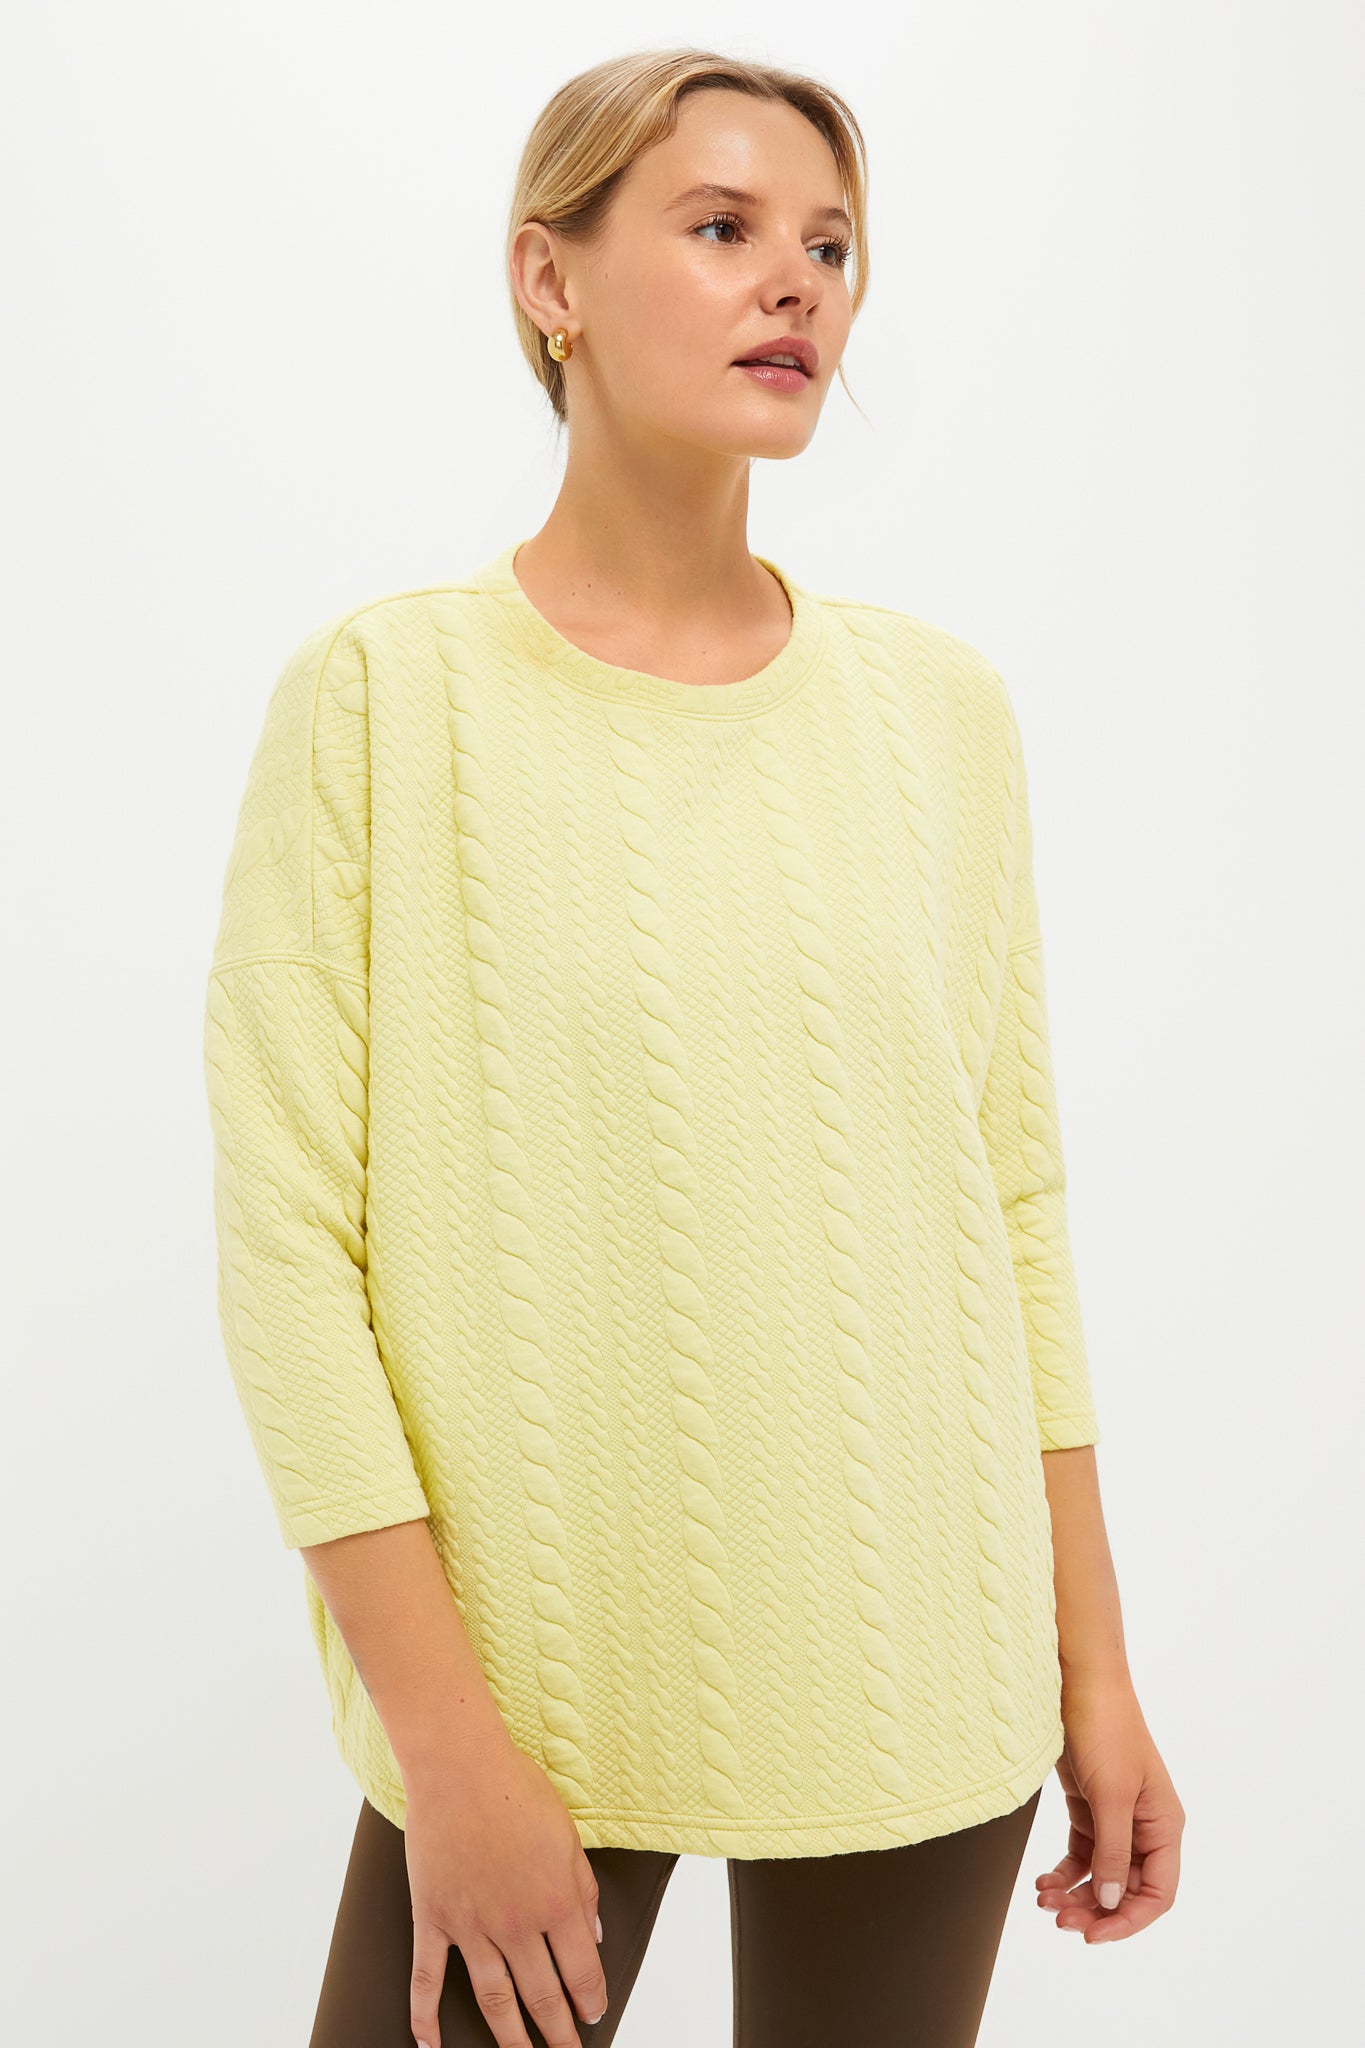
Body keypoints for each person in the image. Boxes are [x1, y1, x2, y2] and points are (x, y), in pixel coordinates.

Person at [202, 46, 1185, 2048]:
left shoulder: (940, 714)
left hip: (923, 1660)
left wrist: (1093, 1671)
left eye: (829, 243)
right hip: (525, 1689)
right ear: (546, 280)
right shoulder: (385, 696)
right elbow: (290, 1259)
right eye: (722, 227)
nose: (795, 281)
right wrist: (446, 1751)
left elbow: (1008, 1206)